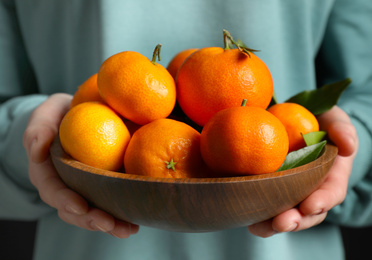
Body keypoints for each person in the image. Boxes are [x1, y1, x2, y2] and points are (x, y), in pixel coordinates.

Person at [1, 0, 371, 259]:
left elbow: (366, 90)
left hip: (287, 243)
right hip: (87, 231)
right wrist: (34, 138)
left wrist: (354, 144)